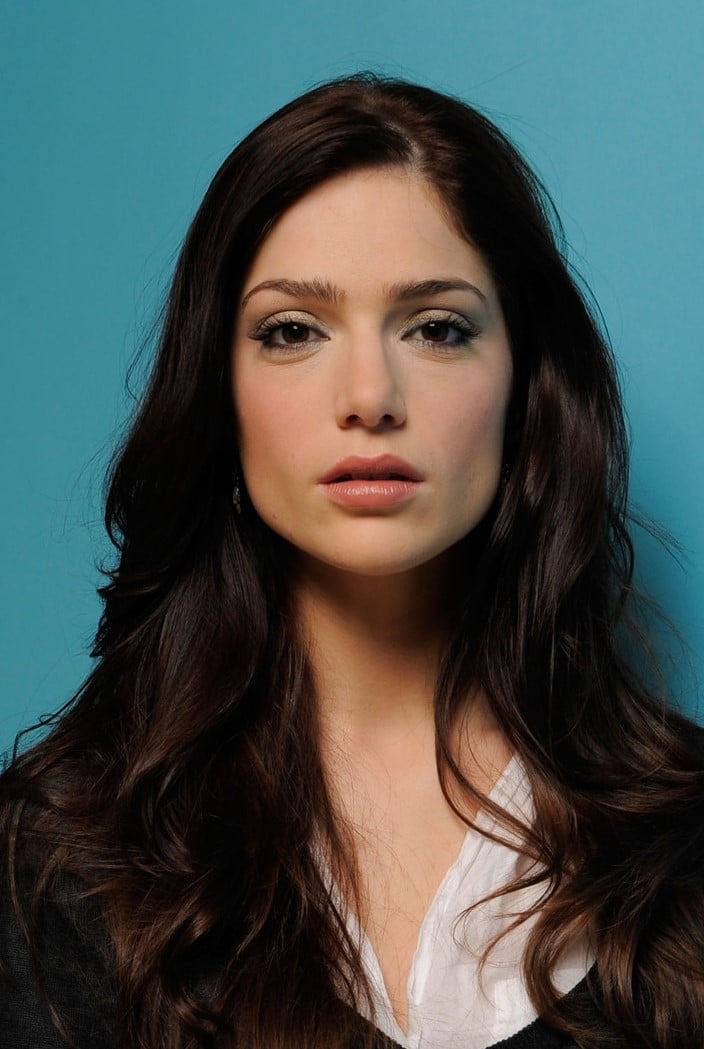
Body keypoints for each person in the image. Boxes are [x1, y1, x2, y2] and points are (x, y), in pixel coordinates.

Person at [1, 72, 702, 1049]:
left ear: (527, 387)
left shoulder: (683, 832)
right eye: (292, 330)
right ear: (219, 394)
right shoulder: (57, 853)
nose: (369, 395)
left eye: (436, 327)